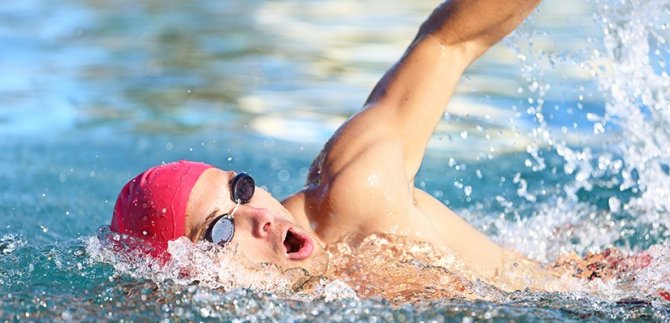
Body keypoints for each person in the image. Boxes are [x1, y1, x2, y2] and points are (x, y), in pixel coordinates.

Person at [110, 0, 576, 296]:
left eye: (241, 190)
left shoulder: (356, 194)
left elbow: (448, 42)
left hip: (607, 295)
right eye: (220, 232)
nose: (260, 216)